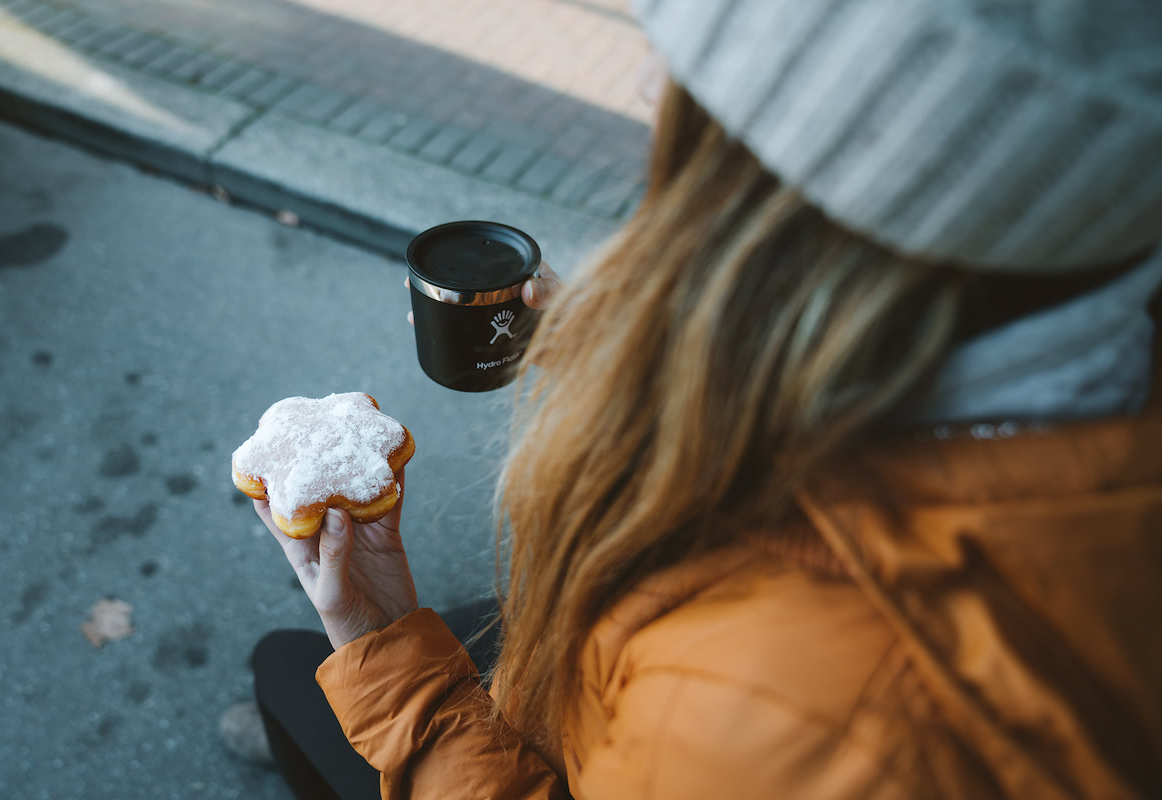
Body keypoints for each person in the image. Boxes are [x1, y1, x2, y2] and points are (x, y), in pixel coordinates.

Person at [235, 0, 1162, 797]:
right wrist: (634, 355)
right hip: (599, 699)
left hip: (540, 738)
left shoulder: (794, 715)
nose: (646, 85)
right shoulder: (1067, 375)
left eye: (702, 83)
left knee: (288, 675)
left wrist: (393, 655)